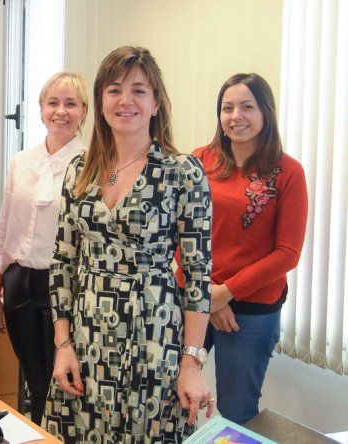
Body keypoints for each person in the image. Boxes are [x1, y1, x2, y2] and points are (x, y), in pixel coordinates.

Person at [42, 46, 214, 442]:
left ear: (156, 103)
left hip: (153, 336)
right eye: (114, 89)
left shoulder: (181, 172)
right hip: (86, 337)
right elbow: (62, 261)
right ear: (100, 103)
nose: (126, 101)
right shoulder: (79, 171)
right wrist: (62, 343)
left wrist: (191, 363)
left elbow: (199, 275)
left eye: (139, 90)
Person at [191, 73, 307, 424]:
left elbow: (287, 252)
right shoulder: (199, 161)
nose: (235, 116)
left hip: (253, 309)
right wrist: (208, 296)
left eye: (247, 106)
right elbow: (178, 232)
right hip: (196, 297)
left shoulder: (288, 172)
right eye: (227, 108)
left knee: (237, 410)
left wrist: (227, 293)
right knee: (170, 394)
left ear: (265, 112)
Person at [0, 71, 88, 425]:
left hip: (63, 288)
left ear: (84, 112)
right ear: (41, 109)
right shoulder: (21, 162)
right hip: (19, 284)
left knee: (61, 380)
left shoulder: (91, 165)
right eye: (53, 103)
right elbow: (4, 231)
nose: (61, 111)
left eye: (70, 104)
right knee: (34, 377)